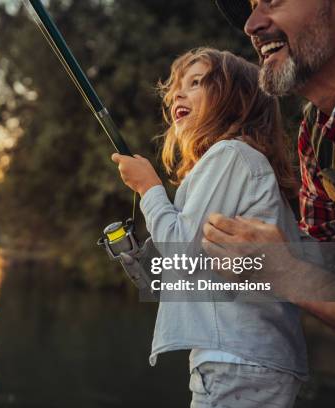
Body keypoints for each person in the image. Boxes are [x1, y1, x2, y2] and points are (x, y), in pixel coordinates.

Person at [112, 48, 307, 408]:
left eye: (196, 83)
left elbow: (181, 250)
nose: (176, 95)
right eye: (174, 89)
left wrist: (148, 188)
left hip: (237, 360)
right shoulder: (238, 161)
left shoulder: (230, 155)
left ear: (238, 101)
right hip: (247, 359)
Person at [205, 0, 335, 357]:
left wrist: (286, 272)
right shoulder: (315, 136)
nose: (252, 24)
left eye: (273, 1)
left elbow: (301, 273)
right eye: (252, 5)